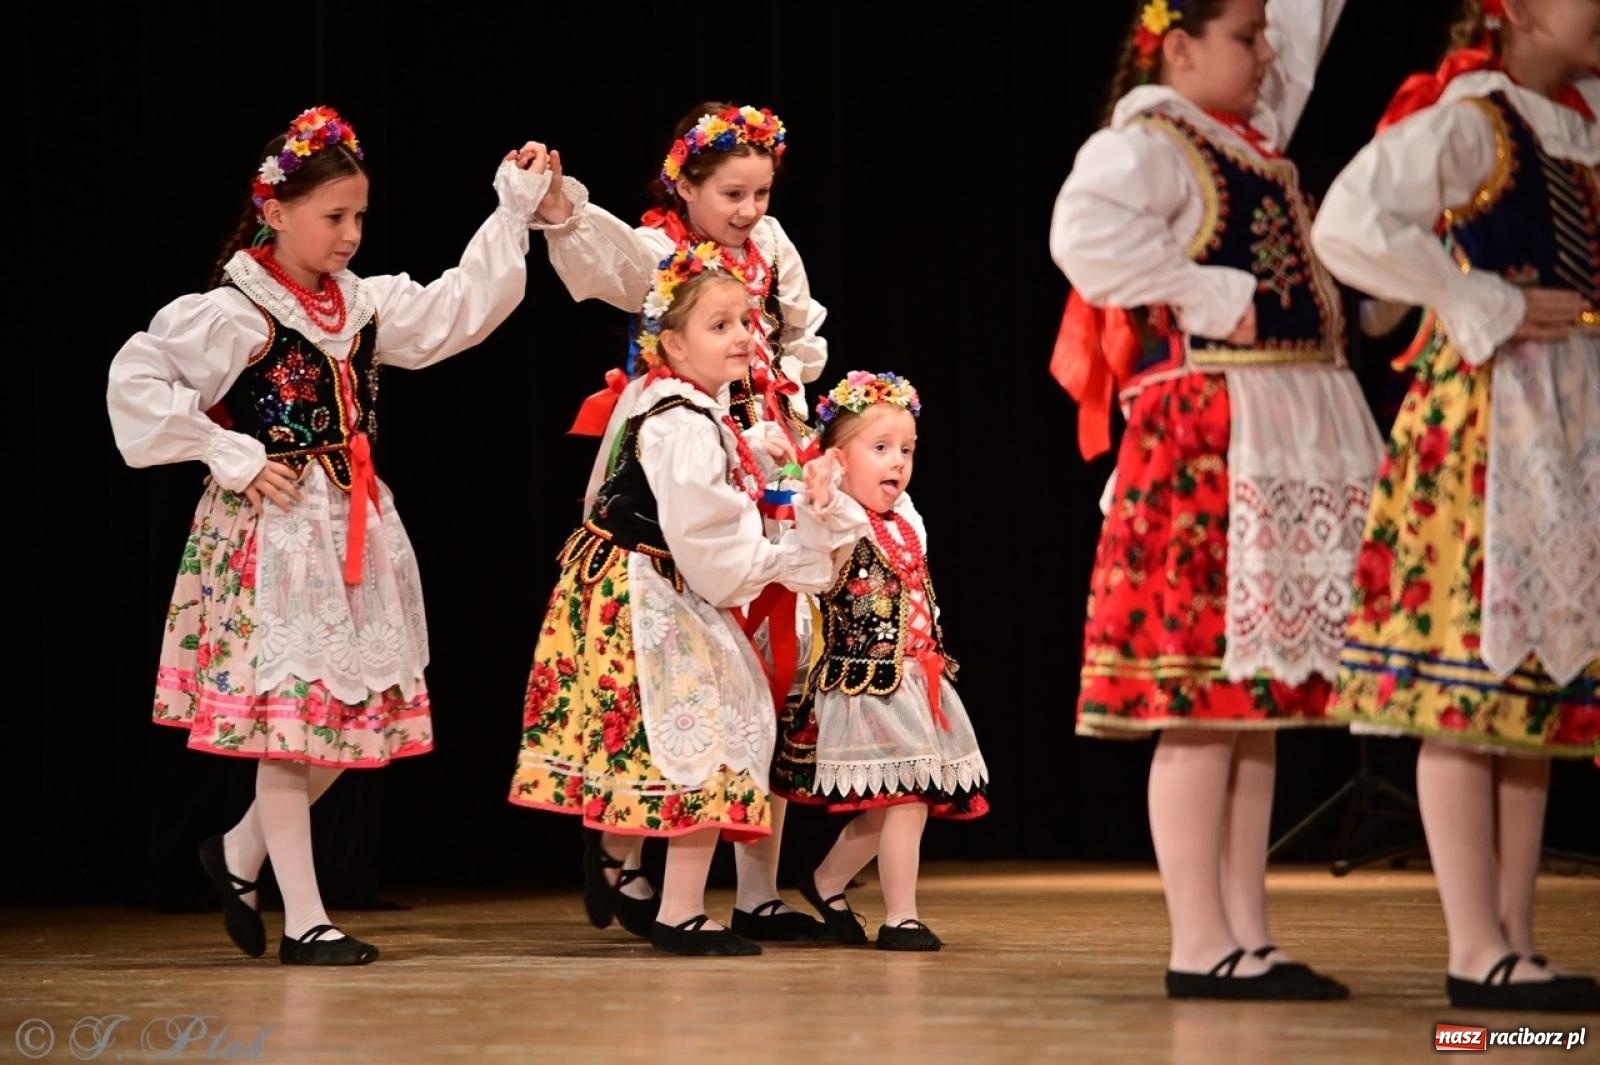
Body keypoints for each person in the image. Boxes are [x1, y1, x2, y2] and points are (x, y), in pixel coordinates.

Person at [107, 106, 553, 964]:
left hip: (351, 523)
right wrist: (229, 452)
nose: (350, 234)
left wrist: (513, 212)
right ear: (275, 211)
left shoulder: (359, 305)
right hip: (275, 533)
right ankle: (305, 918)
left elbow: (460, 308)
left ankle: (238, 852)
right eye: (333, 216)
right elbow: (139, 378)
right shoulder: (236, 311)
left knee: (351, 714)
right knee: (292, 723)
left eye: (359, 217)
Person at [1049, 0, 1379, 999]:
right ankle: (1200, 941)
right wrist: (1211, 296)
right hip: (1208, 442)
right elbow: (1082, 236)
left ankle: (1248, 934)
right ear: (1181, 48)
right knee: (1199, 701)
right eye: (1244, 36)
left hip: (1267, 435)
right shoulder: (1154, 141)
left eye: (1264, 34)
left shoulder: (1243, 142)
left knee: (1250, 704)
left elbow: (1302, 31)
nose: (1267, 52)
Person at [1310, 0, 1600, 1011]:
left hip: (1565, 422)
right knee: (1467, 688)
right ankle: (1476, 947)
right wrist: (1481, 299)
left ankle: (1516, 941)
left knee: (1529, 692)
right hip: (1487, 419)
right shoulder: (1474, 120)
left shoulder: (1580, 121)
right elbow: (1348, 223)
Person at [507, 245, 835, 955]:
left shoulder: (690, 408)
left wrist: (760, 455)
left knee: (699, 730)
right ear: (673, 344)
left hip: (648, 580)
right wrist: (792, 560)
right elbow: (710, 544)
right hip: (645, 589)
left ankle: (642, 875)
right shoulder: (681, 422)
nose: (743, 336)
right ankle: (673, 905)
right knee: (709, 729)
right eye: (720, 325)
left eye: (745, 321)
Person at [771, 371, 989, 952]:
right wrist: (817, 489)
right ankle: (901, 917)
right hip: (865, 685)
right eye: (882, 448)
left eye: (907, 450)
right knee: (906, 798)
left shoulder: (905, 519)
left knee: (888, 803)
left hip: (917, 679)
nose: (898, 461)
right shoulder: (838, 521)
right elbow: (813, 536)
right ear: (840, 461)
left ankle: (826, 882)